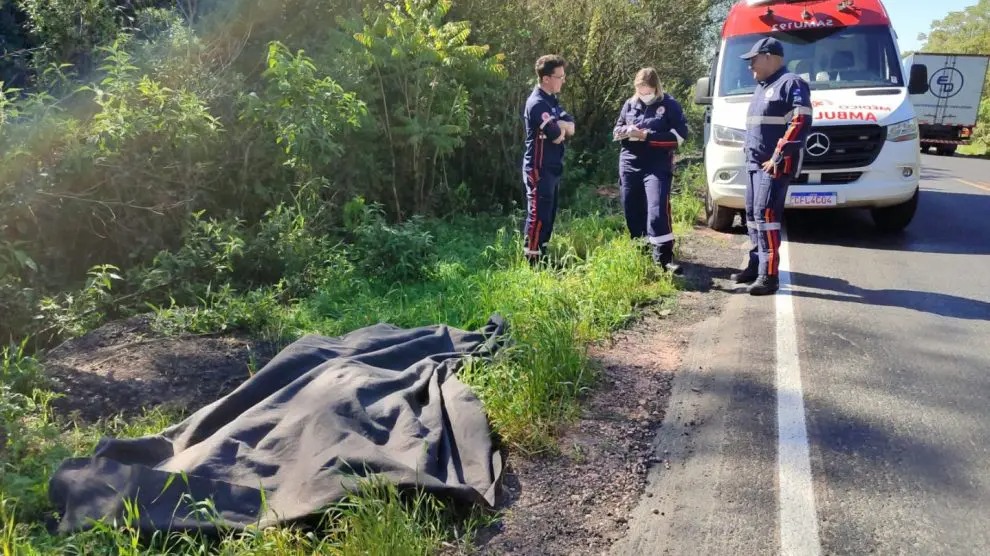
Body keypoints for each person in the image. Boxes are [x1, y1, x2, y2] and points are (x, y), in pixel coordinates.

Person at [734, 37, 812, 295]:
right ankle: (755, 266)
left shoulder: (791, 84)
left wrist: (779, 154)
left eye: (753, 60)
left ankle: (769, 276)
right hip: (755, 164)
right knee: (752, 216)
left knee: (766, 217)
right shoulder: (762, 85)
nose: (750, 66)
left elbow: (800, 121)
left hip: (773, 165)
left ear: (769, 56)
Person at [613, 67, 689, 274]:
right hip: (629, 162)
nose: (643, 93)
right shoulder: (630, 104)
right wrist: (624, 132)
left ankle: (664, 258)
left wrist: (648, 136)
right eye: (639, 89)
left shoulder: (669, 105)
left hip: (656, 163)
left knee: (656, 209)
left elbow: (679, 137)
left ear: (656, 87)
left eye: (646, 89)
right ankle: (641, 254)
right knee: (632, 208)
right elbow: (617, 128)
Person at [521, 54, 575, 265]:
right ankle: (531, 260)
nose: (563, 80)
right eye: (560, 76)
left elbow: (570, 126)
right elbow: (555, 134)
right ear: (546, 78)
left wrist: (562, 128)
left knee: (549, 214)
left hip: (553, 166)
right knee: (539, 214)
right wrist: (560, 129)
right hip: (538, 167)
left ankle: (542, 255)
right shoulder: (536, 103)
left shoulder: (551, 102)